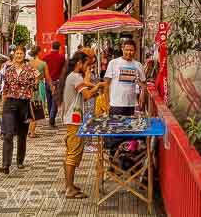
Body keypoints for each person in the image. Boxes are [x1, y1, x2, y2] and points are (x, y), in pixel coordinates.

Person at [63, 51, 100, 199]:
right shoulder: (76, 77)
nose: (88, 67)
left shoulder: (73, 77)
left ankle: (69, 185)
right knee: (73, 154)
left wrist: (92, 85)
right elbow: (87, 96)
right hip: (74, 119)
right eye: (87, 65)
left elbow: (83, 95)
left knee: (71, 153)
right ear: (79, 64)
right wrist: (99, 87)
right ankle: (69, 189)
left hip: (73, 118)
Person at [0, 45, 38, 174]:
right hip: (10, 104)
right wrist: (2, 105)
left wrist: (35, 84)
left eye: (21, 53)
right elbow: (5, 88)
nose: (19, 55)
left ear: (24, 55)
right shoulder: (8, 70)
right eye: (17, 53)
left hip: (24, 104)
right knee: (8, 134)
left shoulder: (30, 69)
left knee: (22, 135)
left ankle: (20, 160)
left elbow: (36, 83)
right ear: (13, 55)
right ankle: (6, 164)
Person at [103, 38, 146, 116]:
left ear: (135, 51)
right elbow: (106, 84)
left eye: (131, 50)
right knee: (115, 127)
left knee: (129, 127)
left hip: (131, 105)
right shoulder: (113, 63)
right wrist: (107, 103)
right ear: (122, 49)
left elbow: (143, 83)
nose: (129, 52)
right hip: (115, 104)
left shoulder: (138, 65)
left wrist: (142, 94)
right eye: (126, 50)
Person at [43, 41, 66, 128]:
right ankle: (52, 119)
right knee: (55, 102)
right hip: (57, 82)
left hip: (47, 82)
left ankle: (50, 118)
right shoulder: (61, 58)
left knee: (49, 101)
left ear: (51, 47)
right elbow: (64, 69)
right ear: (59, 48)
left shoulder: (46, 57)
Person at [27, 45, 47, 138]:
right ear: (39, 52)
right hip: (39, 86)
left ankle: (30, 130)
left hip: (29, 88)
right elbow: (44, 76)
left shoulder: (28, 64)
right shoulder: (42, 64)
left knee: (31, 109)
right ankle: (32, 132)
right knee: (37, 109)